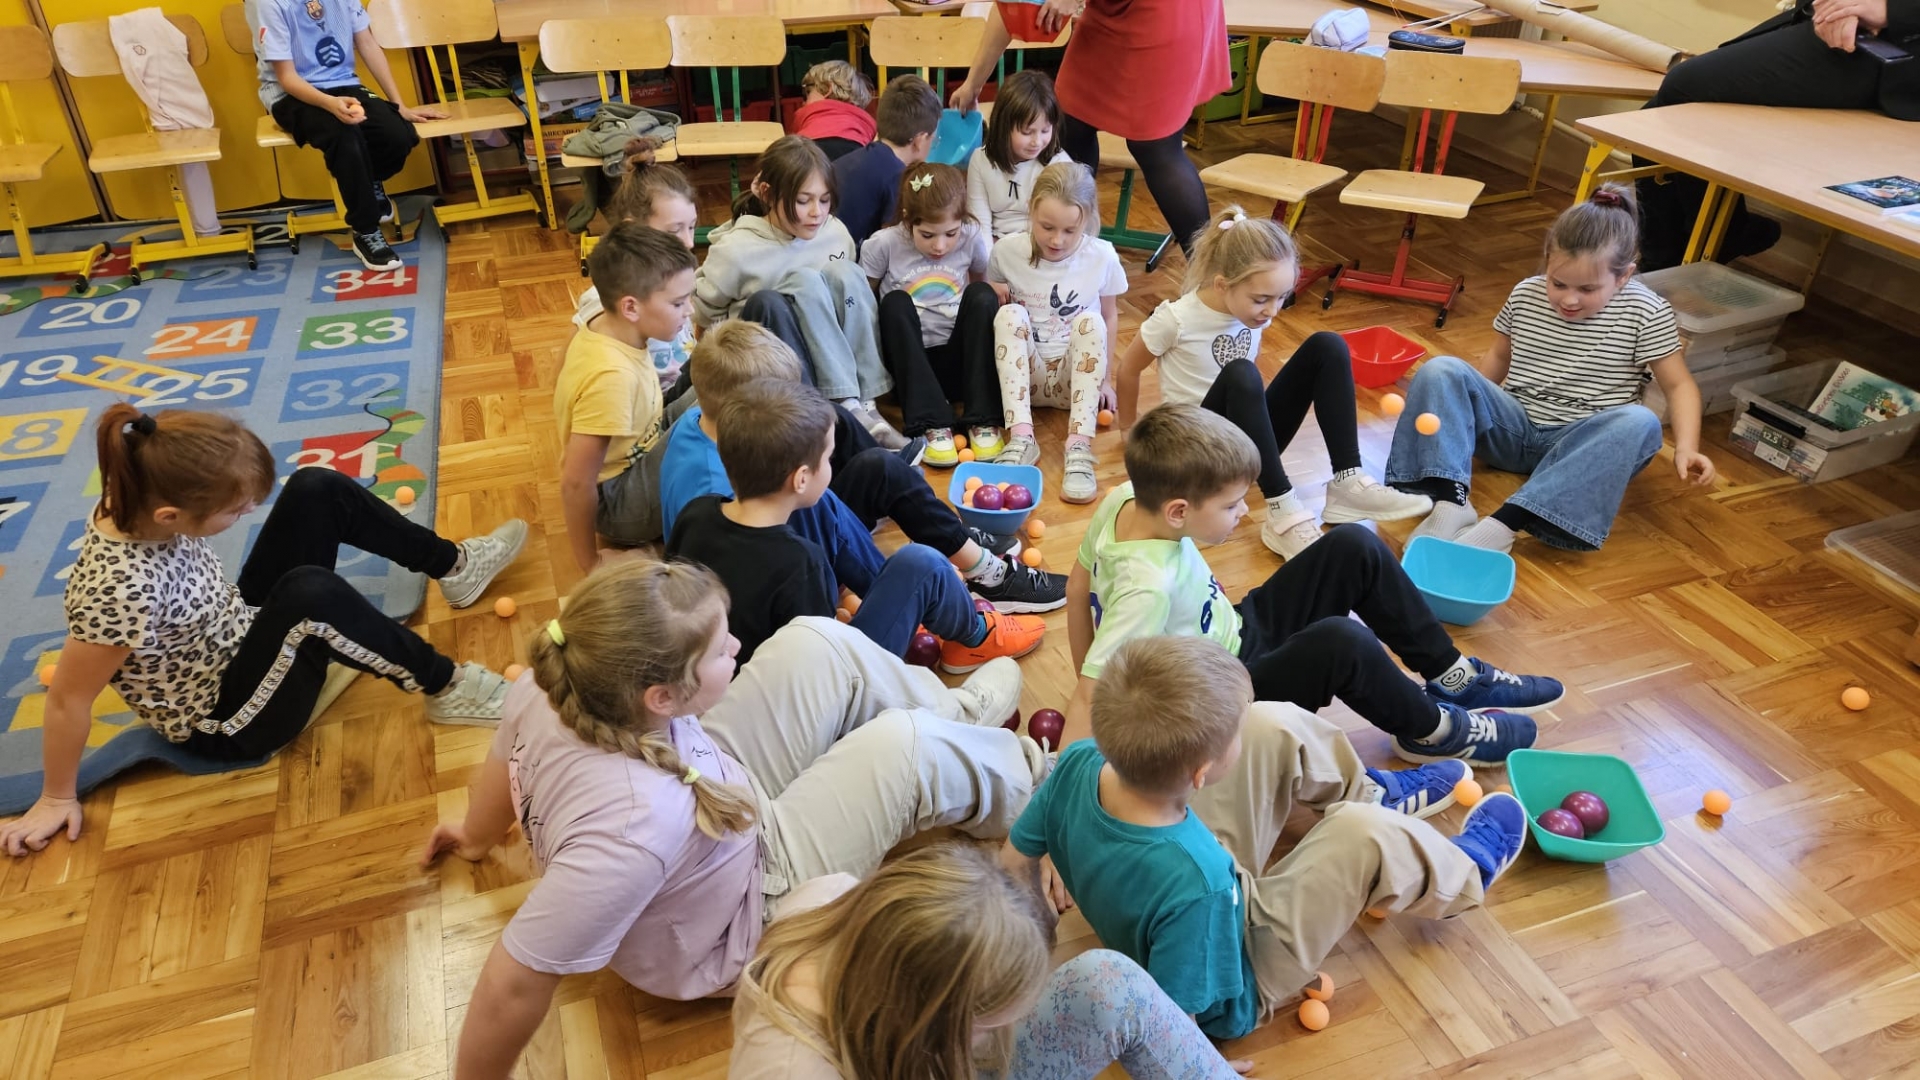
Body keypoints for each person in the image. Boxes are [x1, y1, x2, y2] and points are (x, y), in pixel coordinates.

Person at [425, 559, 1048, 1078]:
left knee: (814, 641)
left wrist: (476, 837)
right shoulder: (632, 832)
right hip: (748, 909)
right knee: (901, 748)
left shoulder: (557, 679)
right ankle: (1036, 785)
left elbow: (505, 760)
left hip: (712, 793)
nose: (736, 646)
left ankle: (958, 719)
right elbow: (511, 987)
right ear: (662, 697)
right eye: (720, 648)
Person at [0, 406, 524, 855]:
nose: (249, 511)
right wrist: (56, 796)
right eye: (235, 510)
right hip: (225, 721)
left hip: (234, 630)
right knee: (310, 593)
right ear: (170, 515)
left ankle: (454, 566)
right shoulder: (117, 591)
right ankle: (447, 686)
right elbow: (68, 697)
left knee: (316, 487)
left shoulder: (138, 496)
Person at [1003, 635, 1530, 1041]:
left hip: (1183, 880)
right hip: (1237, 975)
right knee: (1360, 836)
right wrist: (1198, 1068)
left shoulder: (1078, 759)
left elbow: (1014, 857)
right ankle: (1466, 874)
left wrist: (1033, 940)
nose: (1238, 735)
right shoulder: (1200, 887)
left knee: (1268, 722)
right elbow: (1172, 1016)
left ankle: (1370, 794)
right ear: (1202, 774)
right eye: (1228, 738)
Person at [1063, 404, 1561, 762]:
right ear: (1177, 511)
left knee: (1353, 545)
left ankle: (1454, 676)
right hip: (1226, 696)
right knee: (1341, 642)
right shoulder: (1147, 588)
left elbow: (1077, 587)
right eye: (1232, 505)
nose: (1243, 514)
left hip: (1233, 633)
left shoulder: (1125, 497)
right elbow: (1090, 695)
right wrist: (1062, 794)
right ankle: (1434, 731)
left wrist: (1089, 664)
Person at [729, 843, 1249, 1079]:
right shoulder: (788, 1070)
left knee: (1108, 983)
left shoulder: (832, 900)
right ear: (933, 1018)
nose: (997, 1036)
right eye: (986, 1026)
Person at [1386, 184, 1714, 554]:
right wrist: (1459, 412)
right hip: (1514, 431)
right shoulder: (1525, 293)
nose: (1569, 299)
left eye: (1587, 289)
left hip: (1580, 449)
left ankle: (1506, 523)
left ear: (1624, 276)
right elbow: (1497, 358)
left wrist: (1687, 447)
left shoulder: (1648, 311)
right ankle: (1451, 501)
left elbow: (1679, 386)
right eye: (1558, 283)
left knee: (1641, 422)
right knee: (1441, 369)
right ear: (1547, 261)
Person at [659, 321, 1067, 614]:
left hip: (780, 527)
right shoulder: (713, 483)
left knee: (855, 444)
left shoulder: (702, 420)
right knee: (877, 473)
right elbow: (734, 578)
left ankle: (956, 547)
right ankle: (967, 570)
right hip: (777, 568)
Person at [1115, 206, 1431, 559]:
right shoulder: (1175, 319)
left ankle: (1348, 480)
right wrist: (1128, 429)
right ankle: (1282, 507)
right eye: (1261, 300)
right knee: (1242, 373)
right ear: (1222, 285)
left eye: (1281, 297)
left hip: (1245, 451)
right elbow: (1128, 369)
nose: (1272, 311)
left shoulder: (1254, 313)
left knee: (1328, 345)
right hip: (1195, 453)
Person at [667, 382, 1046, 671]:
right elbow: (821, 668)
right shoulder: (802, 563)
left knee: (820, 504)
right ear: (801, 477)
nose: (833, 467)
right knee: (923, 563)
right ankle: (974, 636)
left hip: (726, 665)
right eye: (829, 459)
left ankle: (911, 610)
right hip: (803, 697)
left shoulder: (697, 513)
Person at [1635, 0, 1920, 270]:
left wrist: (1891, 9)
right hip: (1836, 20)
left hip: (1896, 47)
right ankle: (1668, 261)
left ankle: (1688, 252)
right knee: (1652, 117)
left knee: (1681, 86)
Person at [950, 0, 1223, 254]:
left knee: (1155, 148)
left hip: (1166, 12)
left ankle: (1213, 272)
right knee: (1069, 124)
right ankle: (1072, 243)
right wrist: (973, 84)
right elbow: (1008, 8)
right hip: (1111, 12)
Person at [695, 136, 908, 448]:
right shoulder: (735, 250)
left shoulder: (835, 232)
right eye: (803, 201)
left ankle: (866, 405)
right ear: (767, 194)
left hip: (838, 357)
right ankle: (844, 408)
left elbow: (849, 301)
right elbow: (704, 317)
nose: (816, 213)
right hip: (776, 367)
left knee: (847, 272)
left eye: (824, 200)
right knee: (805, 282)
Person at [245, 0, 448, 271]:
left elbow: (366, 42)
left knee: (398, 135)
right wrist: (330, 105)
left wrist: (399, 105)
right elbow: (286, 77)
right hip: (288, 94)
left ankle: (370, 181)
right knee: (344, 135)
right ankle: (366, 230)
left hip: (343, 83)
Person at [556, 224, 697, 568]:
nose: (690, 311)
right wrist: (590, 563)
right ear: (631, 307)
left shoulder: (606, 322)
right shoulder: (612, 379)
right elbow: (575, 483)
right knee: (715, 415)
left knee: (719, 377)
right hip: (619, 505)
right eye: (678, 303)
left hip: (641, 445)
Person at [988, 161, 1125, 505]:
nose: (1056, 240)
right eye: (1046, 227)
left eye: (1069, 231)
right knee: (1009, 314)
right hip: (1025, 382)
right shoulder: (1006, 251)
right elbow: (987, 298)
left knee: (1091, 321)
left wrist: (1106, 380)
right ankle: (1022, 437)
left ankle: (1079, 447)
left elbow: (1110, 316)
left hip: (1075, 384)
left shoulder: (1102, 256)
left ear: (1086, 220)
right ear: (1031, 210)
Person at [862, 162, 1003, 466]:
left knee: (983, 294)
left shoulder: (971, 236)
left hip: (955, 365)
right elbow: (863, 303)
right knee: (895, 302)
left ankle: (983, 419)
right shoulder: (884, 244)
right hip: (910, 367)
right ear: (907, 219)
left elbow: (978, 292)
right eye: (927, 235)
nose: (940, 246)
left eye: (950, 233)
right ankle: (931, 422)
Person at [832, 75, 942, 249]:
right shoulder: (898, 177)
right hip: (844, 259)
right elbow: (892, 248)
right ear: (920, 140)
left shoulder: (859, 157)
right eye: (933, 140)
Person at [964, 69, 1072, 240]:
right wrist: (991, 255)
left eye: (1045, 130)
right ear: (1004, 126)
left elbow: (1062, 227)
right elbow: (979, 222)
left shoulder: (1059, 165)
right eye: (1027, 132)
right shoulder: (980, 160)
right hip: (995, 242)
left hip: (1041, 244)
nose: (1037, 142)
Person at [792, 60, 876, 161]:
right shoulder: (868, 135)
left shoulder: (798, 144)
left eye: (807, 94)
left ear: (827, 89)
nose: (803, 103)